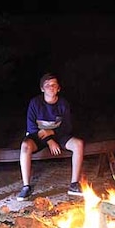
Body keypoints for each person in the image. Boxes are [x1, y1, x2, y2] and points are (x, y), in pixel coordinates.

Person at [17, 72, 85, 200]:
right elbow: (31, 127)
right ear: (42, 88)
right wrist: (49, 140)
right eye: (47, 85)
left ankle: (74, 184)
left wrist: (52, 133)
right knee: (25, 146)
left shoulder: (63, 103)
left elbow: (67, 127)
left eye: (54, 85)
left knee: (78, 144)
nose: (51, 87)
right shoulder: (35, 103)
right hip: (38, 135)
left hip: (58, 134)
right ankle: (26, 186)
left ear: (58, 88)